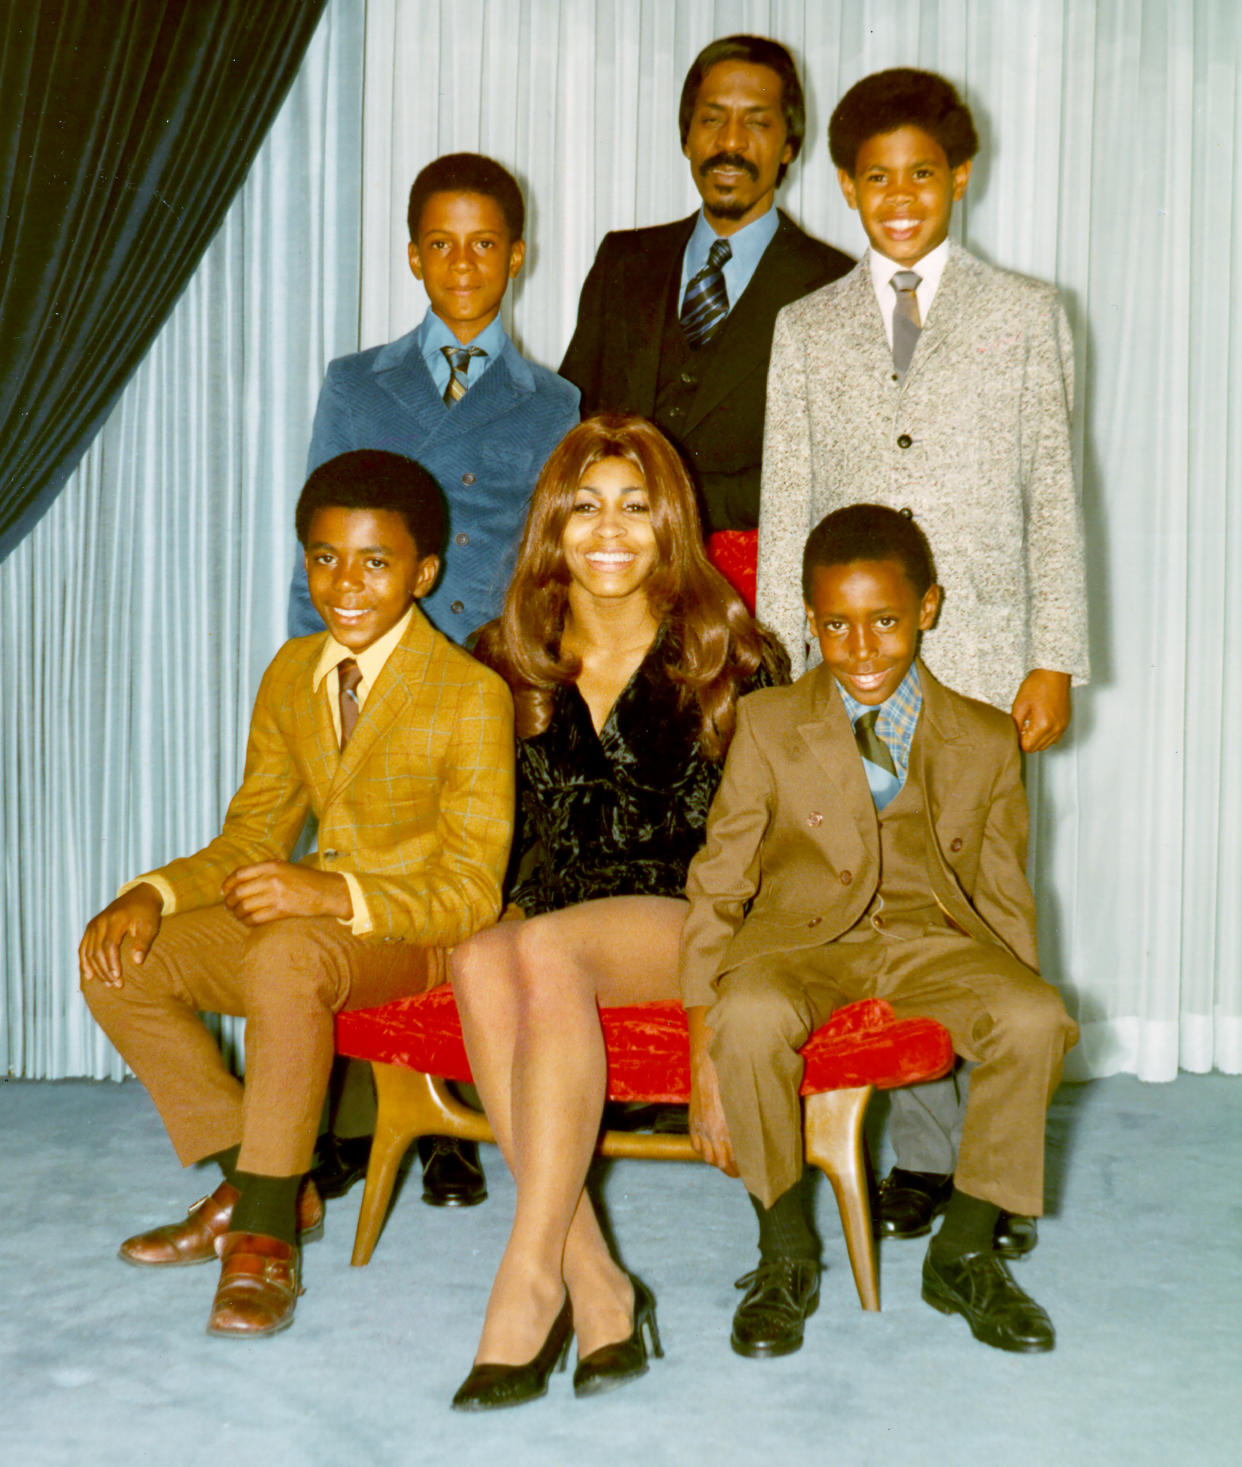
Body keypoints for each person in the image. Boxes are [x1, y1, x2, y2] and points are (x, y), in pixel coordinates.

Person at [756, 68, 1090, 1239]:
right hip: (848, 660)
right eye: (876, 178)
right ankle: (911, 1143)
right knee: (868, 896)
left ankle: (979, 1172)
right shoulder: (807, 327)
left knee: (984, 908)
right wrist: (782, 661)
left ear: (961, 177)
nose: (900, 198)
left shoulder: (1026, 315)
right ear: (845, 187)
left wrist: (1053, 654)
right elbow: (789, 495)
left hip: (985, 657)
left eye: (923, 174)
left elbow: (1054, 490)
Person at [80, 450, 514, 1338]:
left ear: (424, 572)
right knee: (120, 963)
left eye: (375, 561)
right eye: (324, 558)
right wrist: (153, 893)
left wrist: (329, 893)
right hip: (308, 947)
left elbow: (470, 890)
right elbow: (250, 839)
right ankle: (265, 1178)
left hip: (413, 936)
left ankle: (263, 1240)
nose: (345, 584)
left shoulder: (471, 694)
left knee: (287, 950)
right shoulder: (291, 672)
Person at [682, 504, 1078, 1359]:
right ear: (809, 618)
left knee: (1037, 1016)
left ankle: (966, 1248)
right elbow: (719, 883)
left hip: (930, 940)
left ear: (928, 609)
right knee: (746, 1016)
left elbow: (1005, 893)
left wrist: (1012, 1002)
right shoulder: (769, 725)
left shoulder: (983, 737)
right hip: (801, 942)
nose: (861, 650)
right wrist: (698, 1030)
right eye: (836, 626)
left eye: (886, 621)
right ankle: (784, 1250)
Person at [448, 414, 787, 1410]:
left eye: (637, 507)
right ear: (551, 528)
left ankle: (527, 1280)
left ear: (670, 523)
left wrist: (719, 1030)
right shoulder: (504, 659)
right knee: (478, 954)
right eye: (585, 506)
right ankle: (600, 1286)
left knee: (545, 947)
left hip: (693, 924)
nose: (610, 529)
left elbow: (771, 862)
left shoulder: (735, 656)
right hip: (559, 922)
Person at [287, 153, 577, 1206]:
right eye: (442, 244)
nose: (464, 263)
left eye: (485, 243)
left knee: (464, 891)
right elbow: (312, 551)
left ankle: (452, 1119)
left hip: (484, 687)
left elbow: (549, 566)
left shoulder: (553, 403)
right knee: (351, 883)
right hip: (368, 672)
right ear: (413, 256)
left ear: (518, 256)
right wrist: (307, 684)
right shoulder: (356, 384)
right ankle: (346, 1118)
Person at [559, 34, 851, 606]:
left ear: (789, 144)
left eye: (757, 123)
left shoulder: (836, 285)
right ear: (687, 136)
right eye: (712, 120)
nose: (731, 143)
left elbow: (829, 469)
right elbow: (574, 420)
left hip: (754, 598)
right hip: (614, 588)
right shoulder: (622, 259)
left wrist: (666, 504)